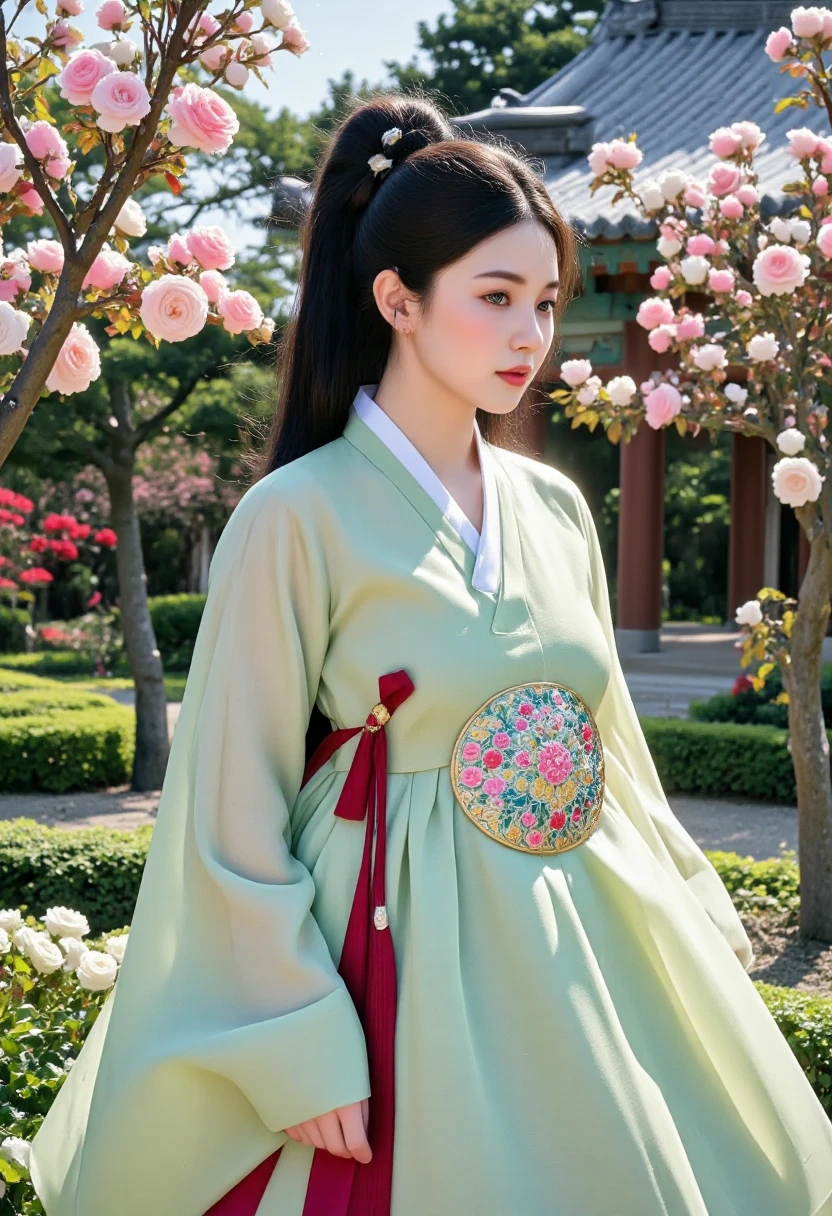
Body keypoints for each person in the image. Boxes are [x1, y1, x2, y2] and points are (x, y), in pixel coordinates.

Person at [29, 91, 832, 1216]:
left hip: (583, 942)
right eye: (494, 297)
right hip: (397, 964)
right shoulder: (294, 516)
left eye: (545, 303)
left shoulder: (553, 509)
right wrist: (296, 1035)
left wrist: (691, 921)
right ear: (398, 300)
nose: (529, 336)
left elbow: (617, 761)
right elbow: (228, 810)